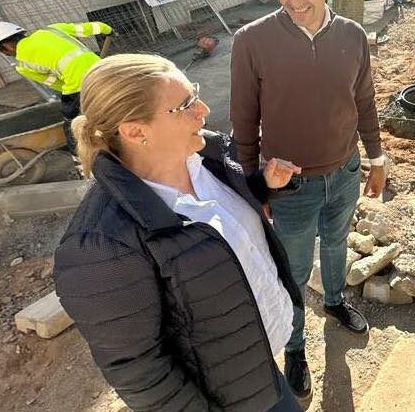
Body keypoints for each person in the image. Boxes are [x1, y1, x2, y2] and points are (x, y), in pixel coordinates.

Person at [53, 54, 304, 411]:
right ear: (135, 131)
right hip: (223, 397)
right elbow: (140, 371)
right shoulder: (102, 245)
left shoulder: (206, 156)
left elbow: (217, 227)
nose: (203, 108)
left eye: (195, 93)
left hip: (255, 362)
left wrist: (261, 186)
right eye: (185, 105)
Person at [230, 0, 387, 402]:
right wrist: (251, 189)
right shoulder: (251, 41)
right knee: (293, 272)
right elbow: (244, 122)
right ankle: (295, 349)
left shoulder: (353, 36)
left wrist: (376, 160)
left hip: (344, 173)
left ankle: (336, 301)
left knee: (337, 243)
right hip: (290, 187)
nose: (295, 2)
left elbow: (363, 102)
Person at [0, 20, 112, 152]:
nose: (7, 54)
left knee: (71, 126)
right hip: (105, 69)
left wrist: (70, 94)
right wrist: (108, 31)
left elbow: (55, 83)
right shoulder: (53, 29)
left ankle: (79, 159)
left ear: (7, 47)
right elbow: (96, 27)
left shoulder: (22, 65)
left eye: (3, 51)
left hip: (78, 85)